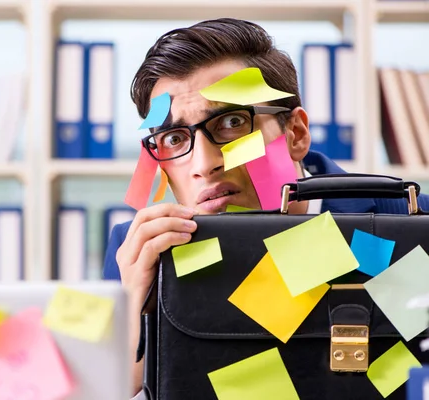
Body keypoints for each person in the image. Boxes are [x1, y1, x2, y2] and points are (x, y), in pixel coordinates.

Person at [102, 18, 429, 397]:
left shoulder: (412, 225)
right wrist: (130, 327)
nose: (204, 164)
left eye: (232, 121)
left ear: (296, 134)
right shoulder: (137, 251)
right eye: (174, 138)